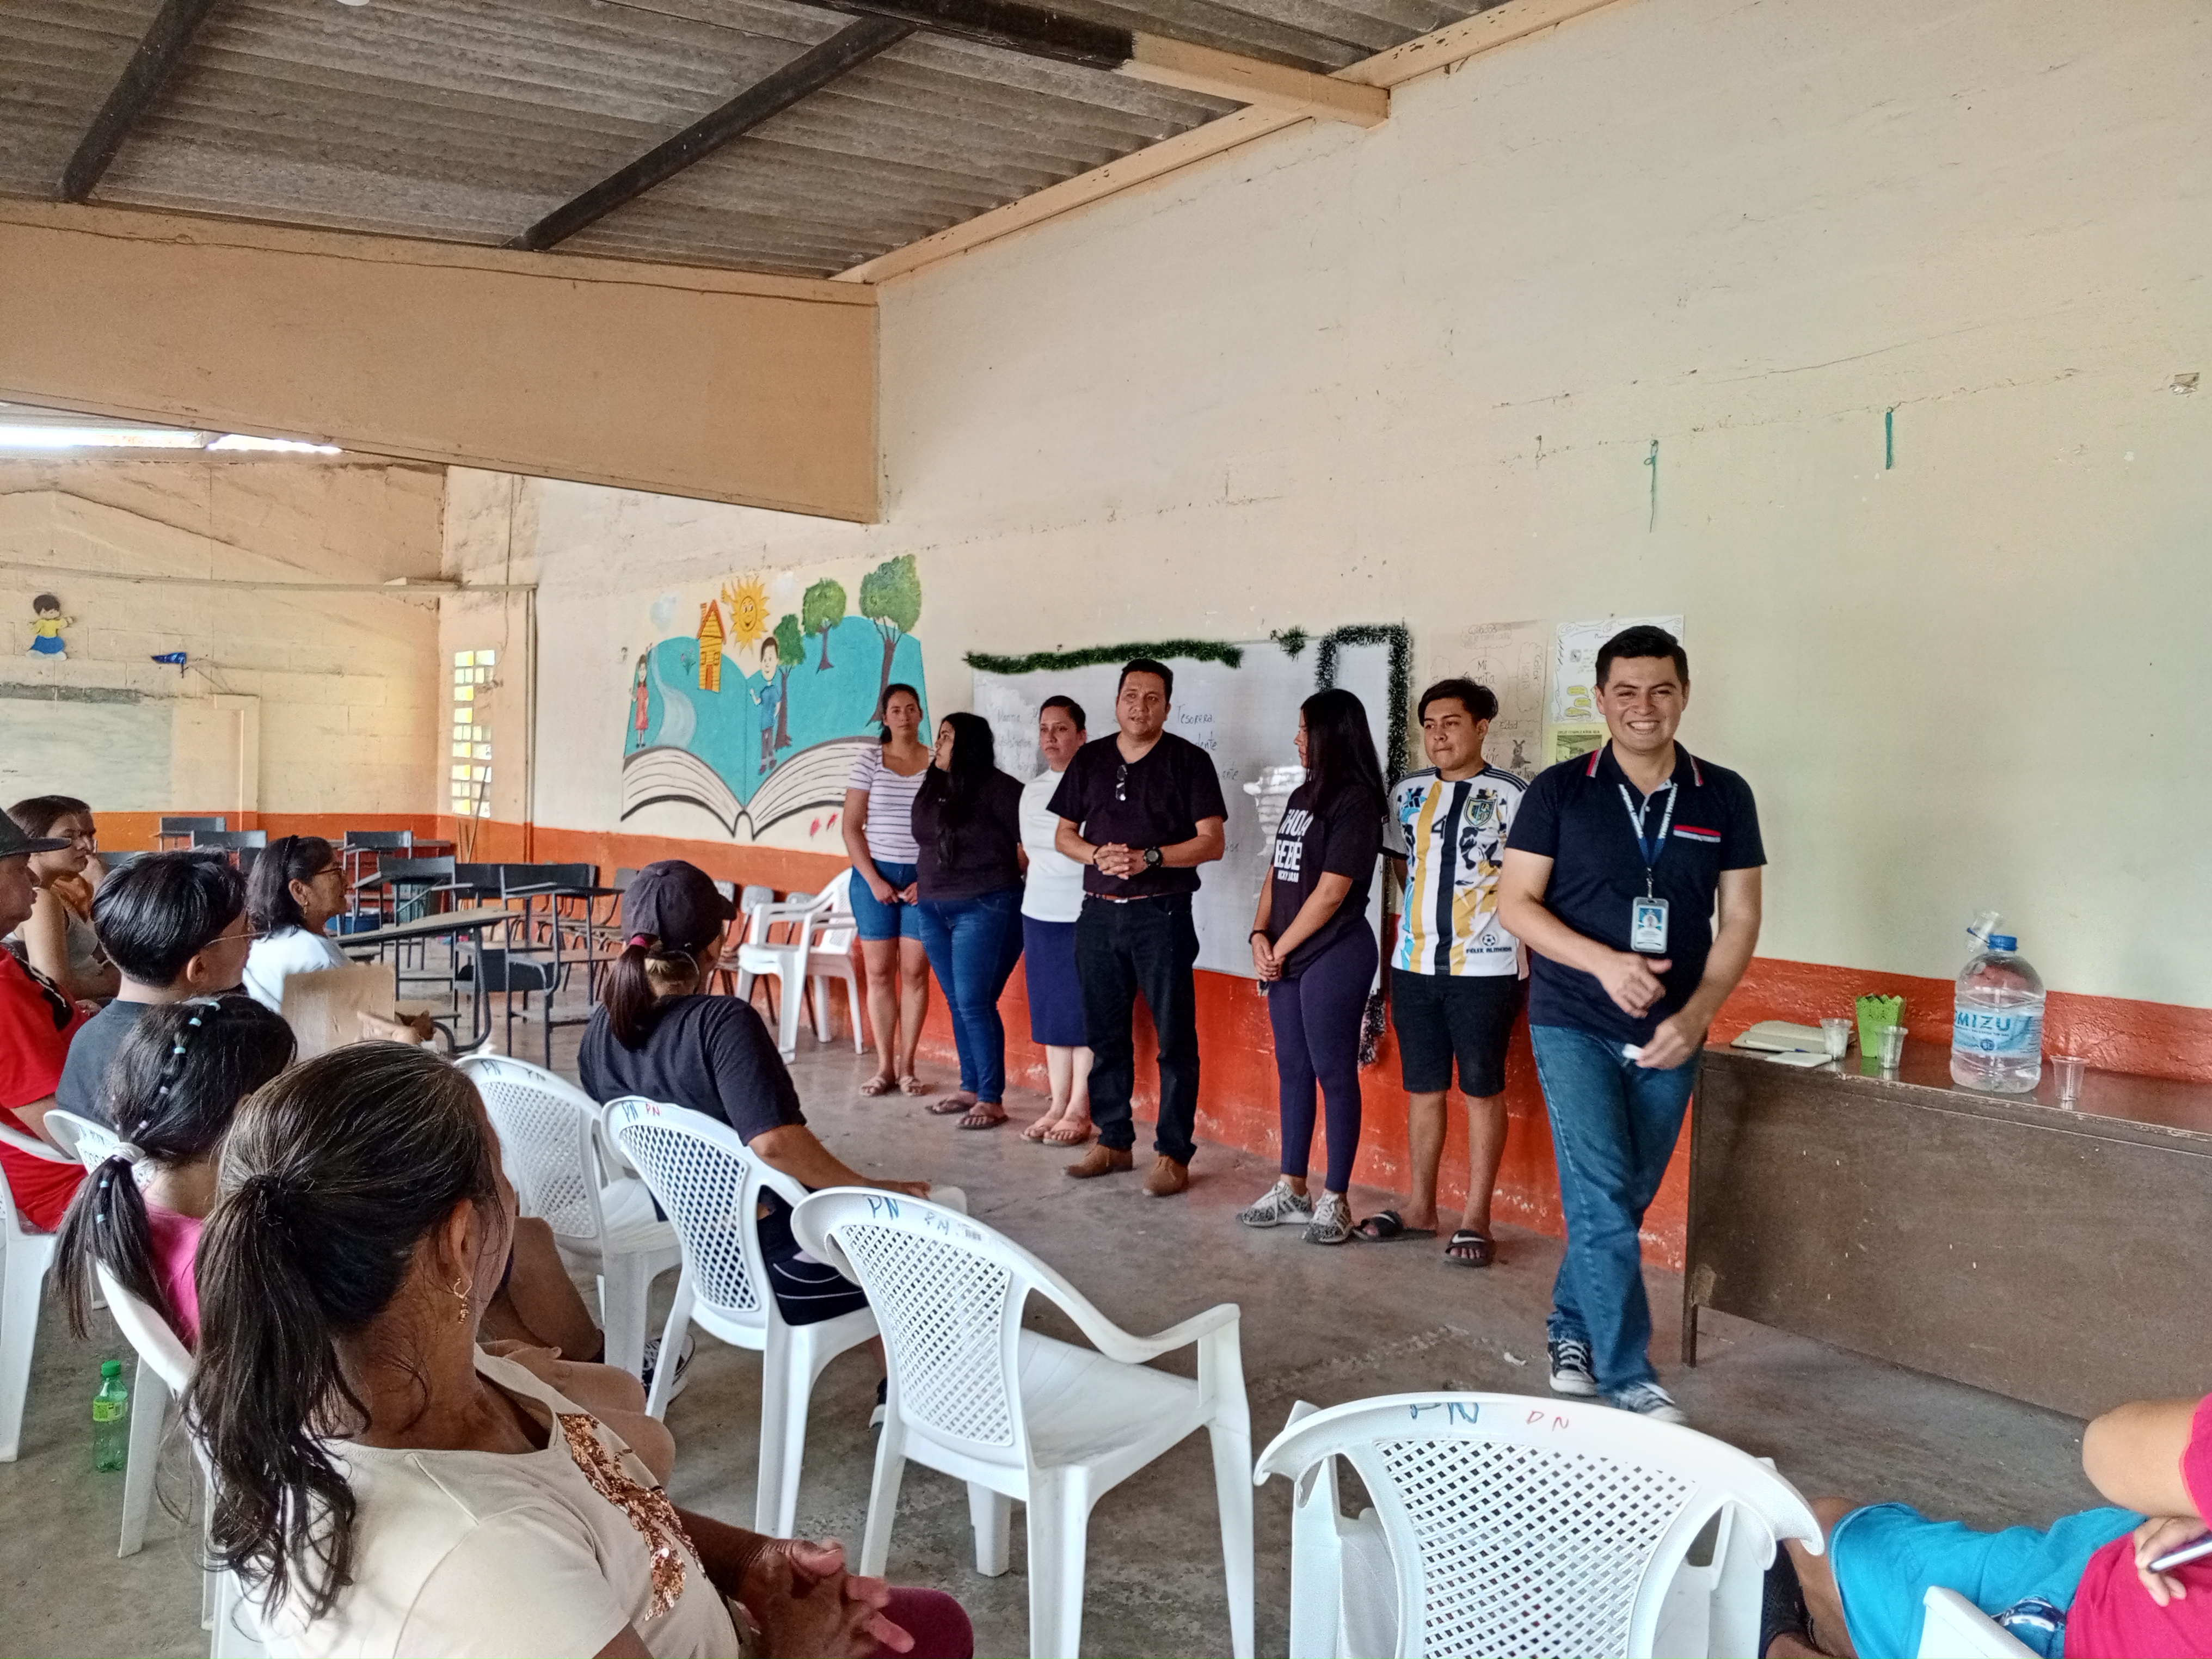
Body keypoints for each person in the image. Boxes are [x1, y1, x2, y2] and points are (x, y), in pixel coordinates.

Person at [190, 1042, 973, 1659]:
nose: (516, 1197)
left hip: (696, 1615)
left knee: (934, 1622)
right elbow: (535, 1558)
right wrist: (798, 1651)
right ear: (459, 1243)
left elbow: (598, 1495)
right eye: (501, 1174)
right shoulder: (480, 1556)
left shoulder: (414, 1372)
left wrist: (747, 1560)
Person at [54, 994, 674, 1474]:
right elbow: (354, 1388)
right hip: (356, 1440)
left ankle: (573, 1360)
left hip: (337, 1402)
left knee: (601, 1369)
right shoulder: (238, 1250)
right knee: (644, 1433)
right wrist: (488, 1377)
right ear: (251, 1113)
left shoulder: (142, 1202)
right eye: (291, 1082)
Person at [1498, 625, 1762, 1423]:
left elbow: (1740, 918)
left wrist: (1699, 1014)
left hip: (1672, 1029)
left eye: (1660, 690)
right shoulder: (1558, 792)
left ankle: (1570, 1328)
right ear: (1600, 699)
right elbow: (1516, 906)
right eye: (1625, 691)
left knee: (1621, 1197)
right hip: (1572, 1020)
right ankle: (1628, 1376)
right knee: (1606, 1194)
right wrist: (1603, 964)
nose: (1643, 706)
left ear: (1684, 695)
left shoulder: (1724, 794)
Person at [579, 861, 934, 1337]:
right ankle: (910, 1378)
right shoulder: (721, 1024)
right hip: (781, 1266)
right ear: (715, 946)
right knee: (930, 1248)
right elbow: (775, 1145)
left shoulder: (601, 1027)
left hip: (703, 1256)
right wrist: (864, 1187)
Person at [1765, 1393, 2212, 1659]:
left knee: (1813, 1539)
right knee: (1820, 1536)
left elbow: (2108, 1448)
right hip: (2120, 1576)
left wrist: (2189, 1496)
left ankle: (1781, 1649)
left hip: (2089, 1620)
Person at [1357, 679, 1528, 1266]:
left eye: (1451, 723)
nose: (1438, 736)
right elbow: (1403, 866)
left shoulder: (1512, 794)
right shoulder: (1406, 792)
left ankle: (1476, 1217)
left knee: (1481, 1088)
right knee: (1423, 1087)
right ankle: (1420, 1207)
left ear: (1481, 727)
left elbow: (1532, 877)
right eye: (1429, 726)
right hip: (1412, 964)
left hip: (1487, 968)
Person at [1050, 659, 1227, 1196]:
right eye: (1131, 695)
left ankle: (1173, 1154)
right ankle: (1113, 1141)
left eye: (1152, 698)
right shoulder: (1090, 759)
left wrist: (1149, 857)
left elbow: (1212, 842)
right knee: (1105, 1035)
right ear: (1116, 702)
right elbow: (1063, 835)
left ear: (1167, 707)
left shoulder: (1189, 761)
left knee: (1174, 1040)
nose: (1140, 706)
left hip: (1162, 914)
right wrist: (1095, 854)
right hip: (1098, 913)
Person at [1237, 690, 1386, 1246]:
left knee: (1333, 1073)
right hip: (1288, 954)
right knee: (1292, 1070)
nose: (1297, 739)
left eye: (1305, 729)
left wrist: (1279, 949)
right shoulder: (1303, 794)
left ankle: (1336, 1198)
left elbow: (1330, 893)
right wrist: (1258, 935)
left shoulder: (1356, 801)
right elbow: (1277, 872)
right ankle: (1292, 1188)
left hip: (1335, 953)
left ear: (1331, 734)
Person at [55, 850, 254, 1125]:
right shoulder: (212, 1054)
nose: (252, 939)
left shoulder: (87, 1036)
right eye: (244, 932)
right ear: (198, 968)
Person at [909, 713, 1027, 1130]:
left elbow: (1030, 846)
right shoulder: (933, 785)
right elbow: (927, 843)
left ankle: (991, 1099)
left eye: (946, 737)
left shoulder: (1001, 789)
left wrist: (990, 876)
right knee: (959, 1000)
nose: (937, 744)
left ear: (969, 745)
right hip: (932, 908)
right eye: (939, 735)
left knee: (975, 1002)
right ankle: (969, 1088)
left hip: (986, 906)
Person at [240, 834, 435, 1042]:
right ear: (300, 890)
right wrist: (412, 1033)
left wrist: (400, 1020)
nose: (347, 883)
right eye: (335, 872)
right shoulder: (320, 959)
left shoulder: (261, 943)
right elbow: (373, 1042)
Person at [842, 683, 935, 1098]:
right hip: (873, 879)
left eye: (911, 709)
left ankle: (908, 1066)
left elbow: (947, 829)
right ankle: (884, 1068)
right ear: (885, 717)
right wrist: (875, 880)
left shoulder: (937, 763)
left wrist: (927, 880)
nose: (904, 716)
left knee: (915, 973)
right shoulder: (869, 761)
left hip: (922, 881)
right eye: (895, 710)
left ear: (920, 715)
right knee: (879, 973)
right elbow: (851, 828)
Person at [0, 810, 90, 1231]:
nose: (35, 878)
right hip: (70, 1185)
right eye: (20, 869)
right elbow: (70, 1135)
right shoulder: (4, 1000)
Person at [1017, 696, 1095, 1146]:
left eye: (1061, 728)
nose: (1051, 737)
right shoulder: (1031, 791)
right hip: (1039, 913)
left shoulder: (1096, 785)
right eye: (1045, 729)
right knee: (1050, 1012)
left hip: (1082, 913)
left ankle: (1080, 1108)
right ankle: (1056, 1103)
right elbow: (1030, 854)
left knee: (1082, 1012)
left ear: (1081, 736)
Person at [5, 795, 118, 1001]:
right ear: (36, 847)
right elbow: (55, 985)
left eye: (81, 835)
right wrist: (113, 982)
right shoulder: (40, 900)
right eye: (69, 837)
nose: (85, 845)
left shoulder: (48, 895)